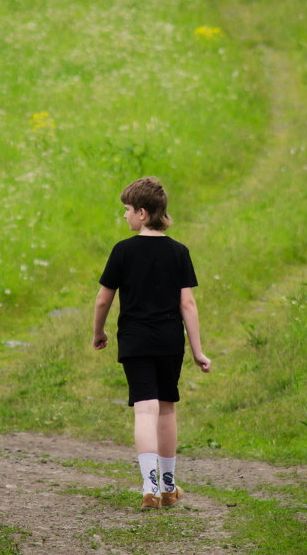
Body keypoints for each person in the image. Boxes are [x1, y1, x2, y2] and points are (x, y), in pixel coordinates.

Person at [92, 176, 211, 510]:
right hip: (169, 341)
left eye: (128, 210)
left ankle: (150, 484)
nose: (125, 216)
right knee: (167, 409)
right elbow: (187, 305)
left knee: (145, 409)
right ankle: (170, 484)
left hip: (135, 340)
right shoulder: (179, 252)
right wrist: (198, 350)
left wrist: (98, 333)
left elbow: (103, 300)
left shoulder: (123, 251)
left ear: (142, 213)